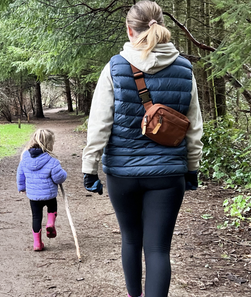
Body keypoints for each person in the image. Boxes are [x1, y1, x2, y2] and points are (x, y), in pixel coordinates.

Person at [81, 1, 204, 297]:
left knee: (131, 240)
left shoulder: (115, 67)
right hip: (168, 174)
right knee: (159, 249)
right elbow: (194, 127)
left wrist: (89, 168)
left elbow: (99, 124)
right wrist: (192, 168)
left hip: (122, 174)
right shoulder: (185, 69)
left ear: (129, 29)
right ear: (161, 27)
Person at [17, 129, 67, 251]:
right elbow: (59, 178)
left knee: (36, 217)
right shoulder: (52, 160)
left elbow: (20, 174)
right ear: (49, 144)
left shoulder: (25, 158)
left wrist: (22, 187)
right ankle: (50, 223)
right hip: (49, 195)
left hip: (33, 196)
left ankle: (37, 244)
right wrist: (64, 174)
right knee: (52, 207)